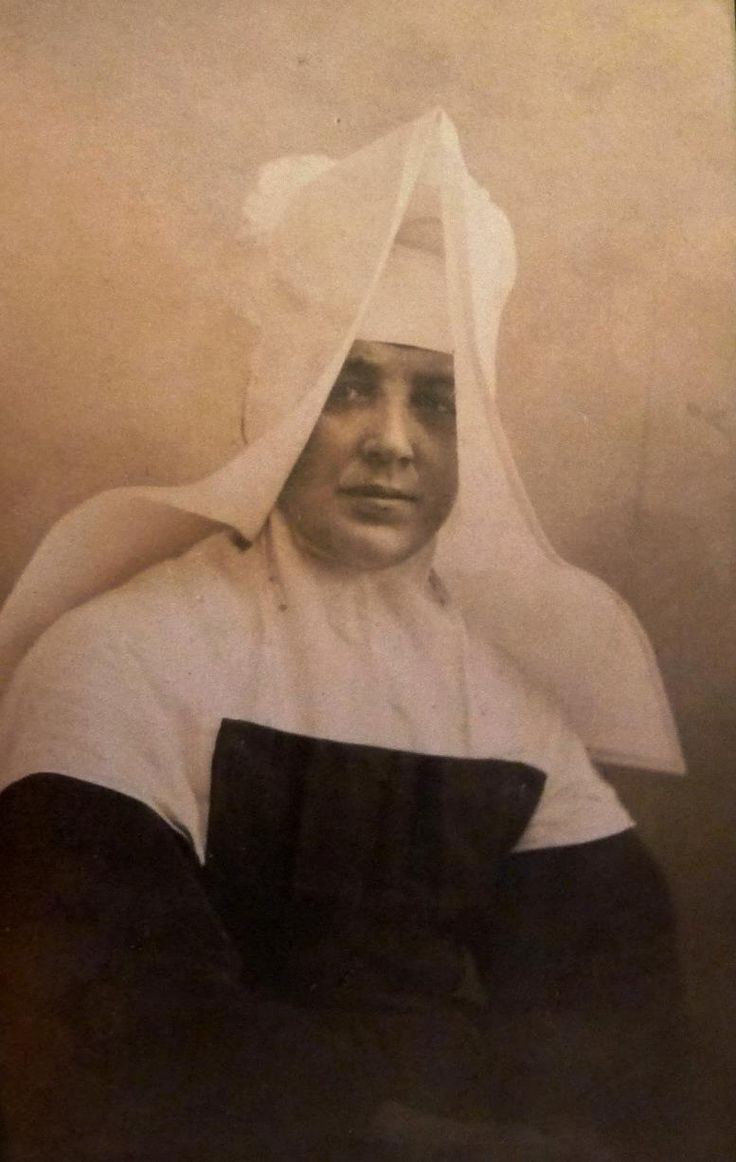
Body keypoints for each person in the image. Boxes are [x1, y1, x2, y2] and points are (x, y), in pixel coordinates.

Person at [0, 111, 691, 1161]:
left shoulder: (512, 706)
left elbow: (622, 1041)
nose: (394, 443)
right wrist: (436, 1098)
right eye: (351, 387)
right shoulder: (120, 655)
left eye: (440, 401)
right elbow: (121, 1031)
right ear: (281, 400)